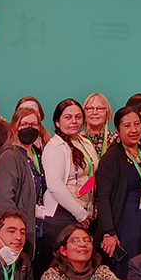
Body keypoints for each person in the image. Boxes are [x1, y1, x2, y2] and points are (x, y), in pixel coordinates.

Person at [95, 106, 141, 279]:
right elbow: (103, 197)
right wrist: (110, 232)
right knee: (127, 269)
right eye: (127, 126)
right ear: (117, 129)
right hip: (124, 221)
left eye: (137, 124)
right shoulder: (112, 157)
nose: (134, 130)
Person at [40, 98, 99, 252]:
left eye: (78, 117)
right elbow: (55, 185)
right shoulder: (55, 146)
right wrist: (80, 214)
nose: (74, 121)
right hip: (63, 216)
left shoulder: (84, 141)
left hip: (85, 213)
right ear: (57, 122)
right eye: (68, 117)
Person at [0, 106, 46, 259]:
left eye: (34, 125)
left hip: (37, 227)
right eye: (24, 125)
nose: (29, 129)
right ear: (14, 127)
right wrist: (15, 230)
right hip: (18, 232)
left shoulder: (38, 155)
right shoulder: (10, 156)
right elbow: (4, 199)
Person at [83, 93, 119, 159]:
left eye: (100, 108)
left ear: (107, 113)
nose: (94, 112)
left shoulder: (116, 140)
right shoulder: (78, 140)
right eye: (90, 108)